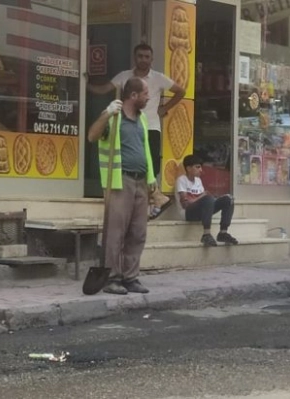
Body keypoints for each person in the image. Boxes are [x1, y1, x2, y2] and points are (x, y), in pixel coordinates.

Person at [88, 43, 185, 218]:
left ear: (152, 59)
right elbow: (104, 89)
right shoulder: (124, 76)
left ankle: (153, 201)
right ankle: (155, 201)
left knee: (150, 167)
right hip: (128, 125)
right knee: (134, 165)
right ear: (135, 57)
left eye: (147, 56)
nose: (143, 59)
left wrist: (165, 108)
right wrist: (83, 84)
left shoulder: (158, 78)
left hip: (151, 127)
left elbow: (180, 91)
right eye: (140, 56)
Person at [87, 77, 155, 296]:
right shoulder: (114, 118)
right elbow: (92, 136)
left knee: (138, 232)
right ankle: (112, 278)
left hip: (141, 181)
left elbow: (145, 151)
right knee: (115, 233)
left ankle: (130, 277)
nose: (149, 97)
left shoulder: (142, 119)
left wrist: (151, 179)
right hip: (120, 181)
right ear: (133, 96)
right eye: (145, 94)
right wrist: (106, 112)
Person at [175, 155, 239, 247]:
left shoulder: (198, 180)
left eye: (201, 167)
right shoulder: (182, 180)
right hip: (187, 213)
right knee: (207, 198)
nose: (201, 170)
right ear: (188, 168)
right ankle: (206, 234)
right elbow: (185, 204)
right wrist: (203, 196)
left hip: (200, 211)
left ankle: (223, 233)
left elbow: (204, 201)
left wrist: (211, 198)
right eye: (197, 167)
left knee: (228, 199)